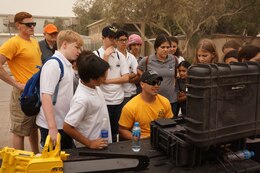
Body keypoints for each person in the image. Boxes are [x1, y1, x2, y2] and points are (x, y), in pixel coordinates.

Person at [0, 11, 41, 153]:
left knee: (34, 127)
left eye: (33, 24)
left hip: (35, 92)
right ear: (18, 25)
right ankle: (20, 162)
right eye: (28, 24)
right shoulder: (12, 43)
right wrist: (16, 84)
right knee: (19, 129)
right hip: (22, 93)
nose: (32, 27)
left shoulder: (34, 42)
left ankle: (35, 155)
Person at [36, 30, 83, 149]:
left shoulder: (66, 64)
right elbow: (46, 96)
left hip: (63, 124)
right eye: (76, 47)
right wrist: (52, 128)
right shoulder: (53, 65)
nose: (79, 51)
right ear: (65, 44)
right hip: (52, 127)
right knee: (54, 164)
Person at [63, 50, 112, 149]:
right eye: (103, 77)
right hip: (90, 149)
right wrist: (90, 143)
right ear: (92, 79)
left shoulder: (95, 87)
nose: (105, 79)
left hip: (102, 143)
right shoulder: (82, 100)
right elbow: (67, 127)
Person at [94, 25, 129, 142]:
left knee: (115, 131)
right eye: (111, 38)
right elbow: (99, 78)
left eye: (115, 38)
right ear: (103, 38)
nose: (113, 41)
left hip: (118, 99)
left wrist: (107, 81)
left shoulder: (120, 55)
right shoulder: (96, 55)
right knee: (103, 131)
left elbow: (126, 78)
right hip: (103, 100)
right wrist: (106, 56)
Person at [118, 70, 173, 140]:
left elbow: (169, 124)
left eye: (158, 83)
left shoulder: (165, 102)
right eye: (152, 83)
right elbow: (122, 130)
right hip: (141, 141)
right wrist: (138, 138)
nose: (156, 86)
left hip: (160, 139)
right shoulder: (130, 107)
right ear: (142, 84)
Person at [138, 34, 178, 116]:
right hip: (153, 100)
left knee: (170, 126)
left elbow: (177, 74)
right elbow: (139, 69)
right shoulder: (147, 60)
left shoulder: (174, 59)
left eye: (168, 47)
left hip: (171, 100)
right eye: (162, 47)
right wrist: (146, 80)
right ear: (156, 48)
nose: (166, 50)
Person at [115, 30, 138, 105]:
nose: (124, 42)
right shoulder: (113, 56)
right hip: (119, 95)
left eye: (125, 40)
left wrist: (124, 77)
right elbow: (115, 76)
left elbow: (136, 73)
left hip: (132, 93)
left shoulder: (131, 57)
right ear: (116, 41)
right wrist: (129, 76)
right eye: (121, 40)